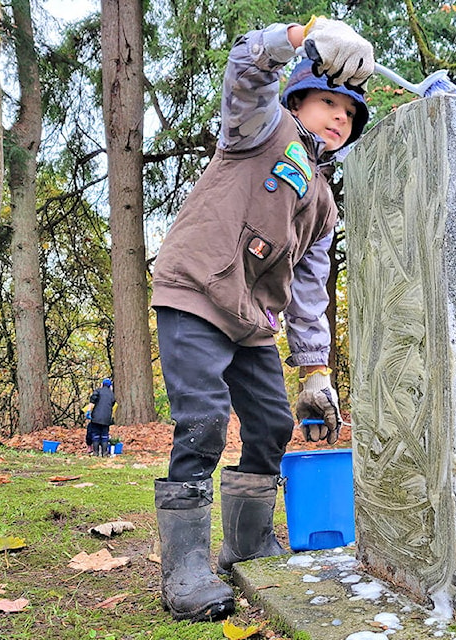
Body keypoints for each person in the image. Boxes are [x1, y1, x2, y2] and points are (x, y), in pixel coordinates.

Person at [149, 18, 373, 622]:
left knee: (273, 423)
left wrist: (316, 370)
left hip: (250, 317)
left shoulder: (323, 203)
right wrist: (299, 37)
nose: (338, 118)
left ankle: (244, 543)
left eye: (349, 115)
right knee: (202, 420)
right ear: (297, 97)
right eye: (328, 101)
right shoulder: (259, 128)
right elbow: (248, 70)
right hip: (196, 290)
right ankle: (185, 570)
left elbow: (307, 290)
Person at [84, 378, 115, 456]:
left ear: (102, 384)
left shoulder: (98, 391)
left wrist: (88, 411)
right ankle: (104, 452)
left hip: (96, 418)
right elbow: (112, 405)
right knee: (105, 435)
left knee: (95, 434)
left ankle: (96, 452)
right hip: (107, 419)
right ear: (110, 386)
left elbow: (92, 402)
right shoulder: (112, 395)